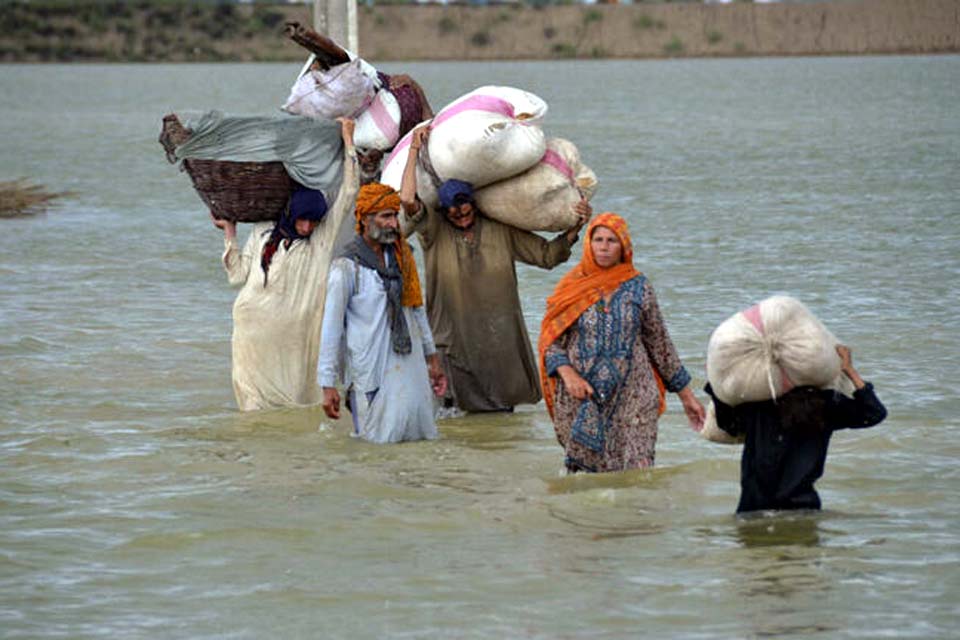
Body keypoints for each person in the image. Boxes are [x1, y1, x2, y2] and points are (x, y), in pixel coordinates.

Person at [399, 126, 592, 413]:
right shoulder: (433, 231)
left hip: (497, 340)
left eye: (465, 208)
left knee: (500, 413)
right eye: (453, 210)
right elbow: (406, 199)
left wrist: (576, 226)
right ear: (444, 210)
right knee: (451, 414)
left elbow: (548, 256)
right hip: (451, 339)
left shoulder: (500, 229)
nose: (461, 214)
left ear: (475, 205)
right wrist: (414, 149)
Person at [538, 213, 706, 473]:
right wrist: (568, 374)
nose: (604, 247)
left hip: (635, 396)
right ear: (589, 244)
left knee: (638, 474)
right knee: (585, 483)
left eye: (612, 241)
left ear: (624, 246)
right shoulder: (571, 288)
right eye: (598, 240)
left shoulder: (639, 287)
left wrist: (687, 397)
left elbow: (660, 345)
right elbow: (550, 343)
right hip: (582, 398)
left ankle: (641, 513)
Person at [212, 118, 358, 411]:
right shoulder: (263, 233)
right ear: (291, 214)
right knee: (253, 405)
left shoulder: (320, 241)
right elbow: (237, 277)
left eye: (313, 221)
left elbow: (349, 193)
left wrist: (348, 141)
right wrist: (230, 232)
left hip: (295, 335)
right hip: (252, 331)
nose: (306, 227)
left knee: (298, 400)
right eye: (303, 219)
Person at [318, 183, 447, 443]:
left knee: (415, 437)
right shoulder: (346, 267)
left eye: (395, 216)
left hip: (409, 365)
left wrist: (432, 358)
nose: (393, 224)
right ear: (365, 220)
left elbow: (416, 309)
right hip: (370, 371)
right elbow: (331, 329)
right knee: (373, 446)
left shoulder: (403, 257)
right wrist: (327, 384)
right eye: (385, 216)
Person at [705, 345, 887, 514]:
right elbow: (874, 413)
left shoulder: (759, 404)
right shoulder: (827, 404)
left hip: (754, 509)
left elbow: (729, 425)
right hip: (802, 509)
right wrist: (849, 370)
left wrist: (715, 380)